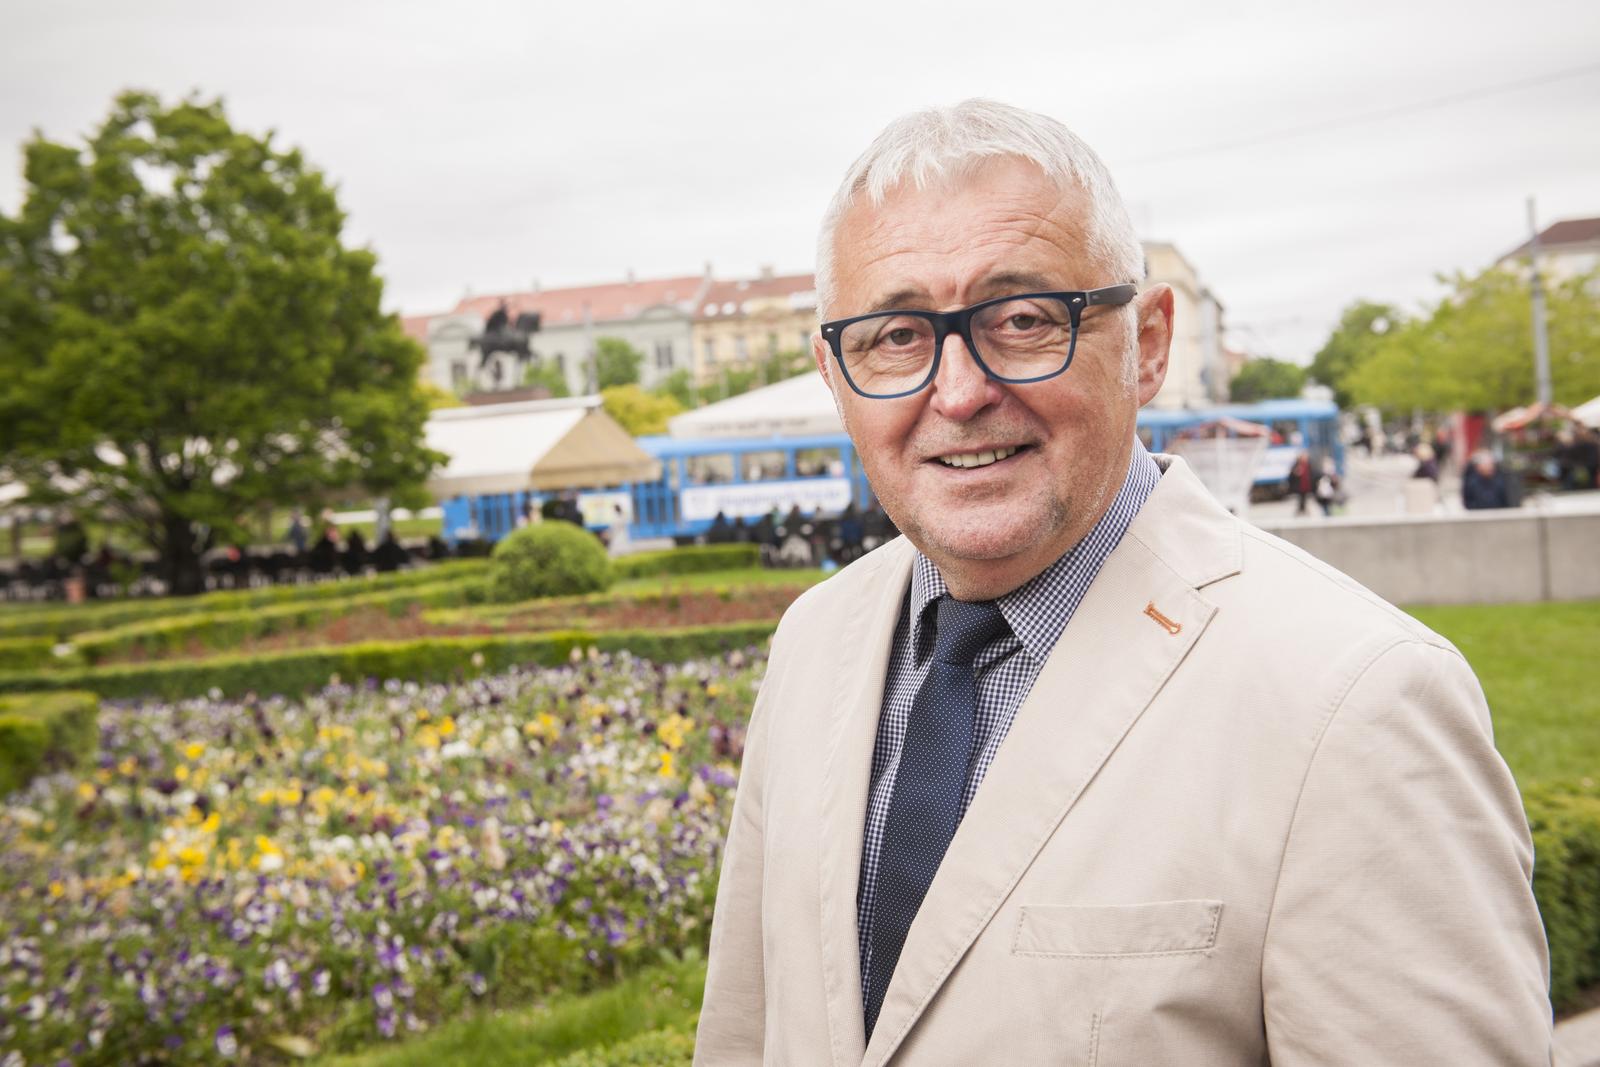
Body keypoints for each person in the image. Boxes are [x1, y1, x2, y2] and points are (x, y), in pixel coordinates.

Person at [694, 101, 1549, 1066]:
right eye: (894, 336)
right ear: (833, 374)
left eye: (1021, 320)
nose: (960, 390)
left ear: (1146, 345)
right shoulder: (815, 641)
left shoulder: (1354, 700)